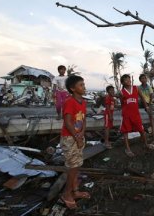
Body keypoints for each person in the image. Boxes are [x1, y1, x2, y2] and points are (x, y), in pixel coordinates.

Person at [60, 75, 90, 209]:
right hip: (69, 138)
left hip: (78, 137)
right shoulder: (69, 102)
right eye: (81, 85)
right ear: (72, 89)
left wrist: (82, 132)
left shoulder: (83, 102)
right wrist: (77, 138)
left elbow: (83, 119)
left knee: (77, 165)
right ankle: (66, 194)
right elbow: (67, 122)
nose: (84, 87)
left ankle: (75, 191)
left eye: (84, 84)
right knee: (73, 167)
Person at [119, 74, 154, 157]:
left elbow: (142, 97)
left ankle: (146, 144)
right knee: (125, 132)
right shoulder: (121, 92)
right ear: (122, 82)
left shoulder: (136, 88)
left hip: (136, 114)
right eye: (126, 80)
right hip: (126, 115)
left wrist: (146, 106)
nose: (128, 81)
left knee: (141, 130)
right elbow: (122, 104)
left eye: (129, 79)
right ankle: (127, 149)